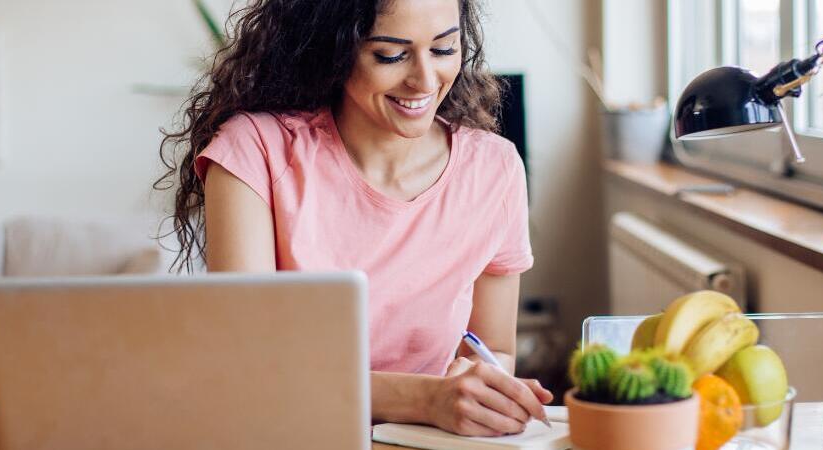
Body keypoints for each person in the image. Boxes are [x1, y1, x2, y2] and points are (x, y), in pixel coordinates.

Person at [156, 0, 551, 437]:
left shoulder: (494, 168)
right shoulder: (255, 152)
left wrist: (482, 392)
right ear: (334, 49)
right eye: (390, 55)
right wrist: (425, 398)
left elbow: (493, 349)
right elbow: (251, 370)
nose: (424, 79)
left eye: (443, 49)